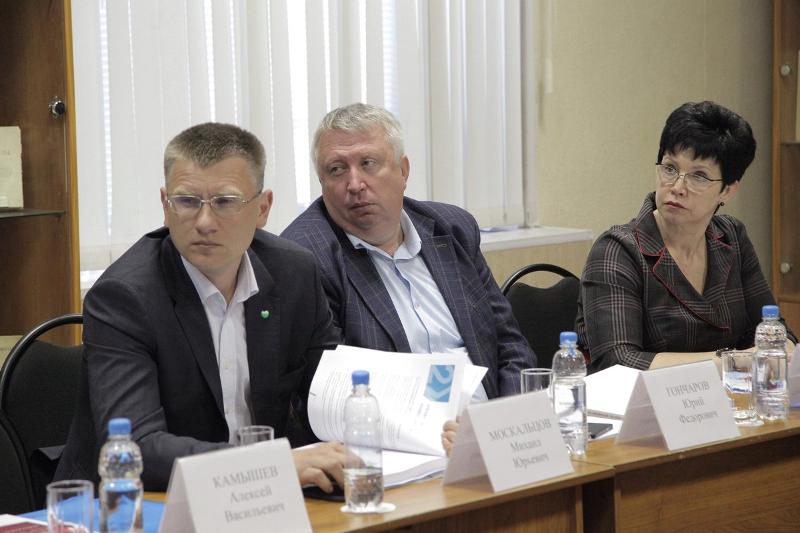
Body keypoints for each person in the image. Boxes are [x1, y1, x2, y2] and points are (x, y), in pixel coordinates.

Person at [56, 123, 346, 492]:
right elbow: (136, 450)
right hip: (134, 503)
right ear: (165, 205)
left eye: (225, 202)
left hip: (262, 496)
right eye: (187, 201)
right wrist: (271, 464)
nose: (205, 222)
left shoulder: (294, 273)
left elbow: (335, 390)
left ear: (262, 208)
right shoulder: (124, 297)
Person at [280, 103, 536, 454]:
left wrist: (503, 425)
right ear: (321, 182)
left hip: (495, 433)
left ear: (403, 170)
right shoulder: (306, 258)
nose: (354, 184)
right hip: (401, 449)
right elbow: (331, 394)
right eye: (336, 170)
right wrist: (442, 438)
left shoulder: (451, 229)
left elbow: (510, 344)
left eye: (368, 163)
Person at [576, 101, 796, 372]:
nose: (678, 187)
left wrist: (777, 349)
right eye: (670, 168)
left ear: (728, 190)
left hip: (729, 396)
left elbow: (776, 335)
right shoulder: (618, 250)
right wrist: (735, 361)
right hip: (644, 400)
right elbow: (619, 362)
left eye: (699, 176)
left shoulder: (732, 237)